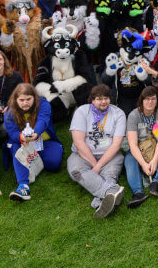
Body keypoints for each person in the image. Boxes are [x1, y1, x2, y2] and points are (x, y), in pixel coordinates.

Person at [67, 84, 127, 218]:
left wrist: (98, 166)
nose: (103, 101)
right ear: (92, 100)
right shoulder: (82, 111)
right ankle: (112, 190)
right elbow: (78, 142)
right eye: (99, 99)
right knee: (75, 171)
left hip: (111, 156)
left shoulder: (119, 114)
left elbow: (116, 144)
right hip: (82, 155)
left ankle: (101, 202)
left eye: (106, 98)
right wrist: (95, 164)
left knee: (107, 176)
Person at [5, 83, 63, 201]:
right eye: (21, 100)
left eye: (28, 99)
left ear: (34, 97)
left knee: (54, 164)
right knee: (17, 149)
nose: (25, 103)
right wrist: (22, 137)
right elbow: (12, 133)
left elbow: (43, 120)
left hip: (44, 141)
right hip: (21, 143)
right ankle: (23, 186)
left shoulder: (43, 104)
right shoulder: (10, 111)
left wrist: (36, 133)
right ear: (15, 99)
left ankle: (30, 162)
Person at [124, 86, 158, 209]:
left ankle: (156, 183)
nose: (150, 102)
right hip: (141, 148)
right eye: (147, 99)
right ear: (141, 100)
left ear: (157, 101)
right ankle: (138, 193)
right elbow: (132, 143)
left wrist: (154, 161)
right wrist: (143, 164)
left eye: (153, 99)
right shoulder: (133, 116)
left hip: (157, 144)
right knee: (129, 159)